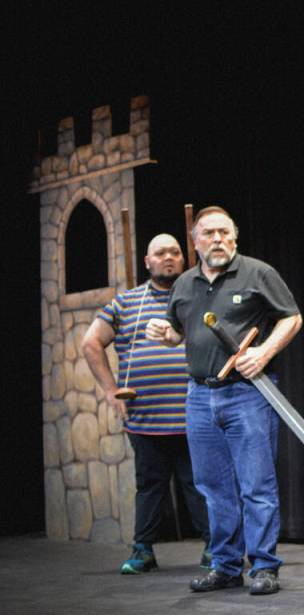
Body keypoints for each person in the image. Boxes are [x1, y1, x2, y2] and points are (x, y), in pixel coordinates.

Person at [146, 206, 302, 596]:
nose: (218, 239)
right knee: (213, 487)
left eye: (224, 232)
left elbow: (292, 318)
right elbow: (179, 333)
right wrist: (164, 333)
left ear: (235, 236)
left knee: (256, 485)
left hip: (246, 394)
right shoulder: (184, 283)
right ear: (195, 241)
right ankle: (226, 566)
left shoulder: (257, 273)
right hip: (199, 396)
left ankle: (264, 566)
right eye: (209, 233)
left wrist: (263, 353)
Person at [82, 234, 211, 574]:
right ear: (147, 261)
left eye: (174, 252)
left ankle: (216, 548)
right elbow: (91, 342)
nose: (168, 257)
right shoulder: (126, 303)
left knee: (199, 483)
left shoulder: (198, 297)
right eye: (160, 253)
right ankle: (142, 551)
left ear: (184, 258)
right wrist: (110, 390)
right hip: (146, 416)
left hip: (194, 413)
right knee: (150, 485)